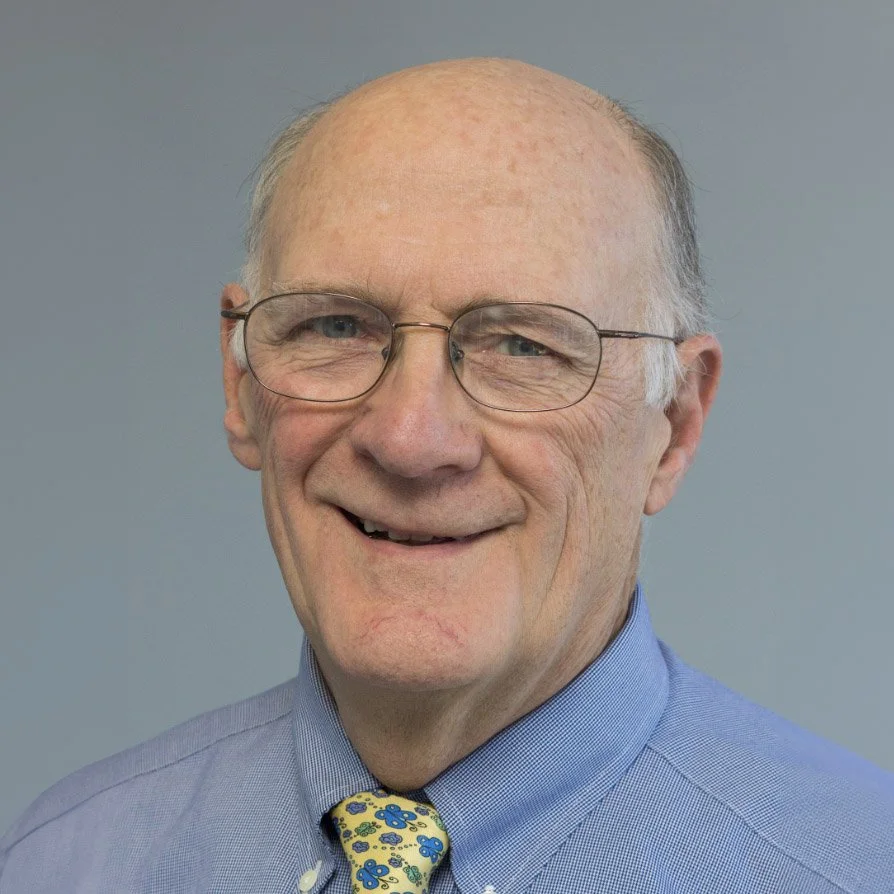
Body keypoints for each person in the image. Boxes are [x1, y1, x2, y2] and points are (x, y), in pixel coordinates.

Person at [2, 57, 892, 894]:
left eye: (522, 344)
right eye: (336, 327)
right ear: (241, 382)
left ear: (675, 424)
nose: (411, 438)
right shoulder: (68, 862)